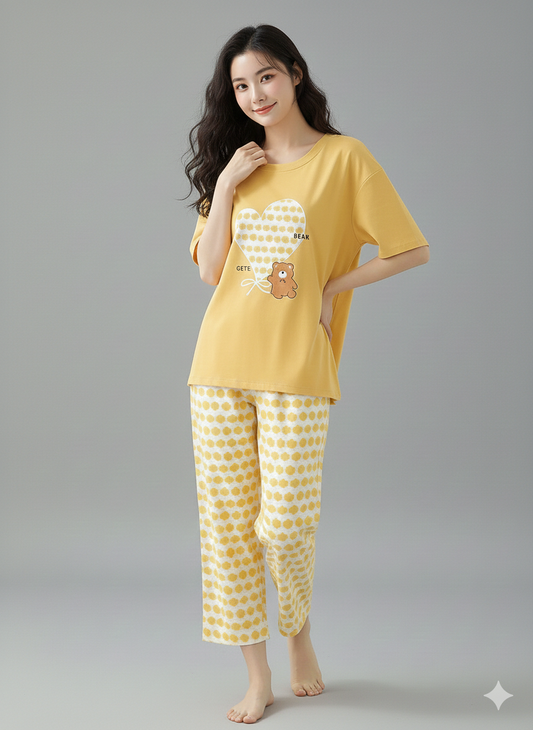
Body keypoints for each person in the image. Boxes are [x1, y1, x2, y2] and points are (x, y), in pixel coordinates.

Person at [184, 24, 429, 724]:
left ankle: (298, 629)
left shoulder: (344, 160)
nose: (254, 95)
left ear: (294, 73)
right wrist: (226, 186)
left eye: (265, 76)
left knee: (286, 522)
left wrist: (330, 288)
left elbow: (409, 248)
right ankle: (257, 675)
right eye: (240, 85)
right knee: (229, 529)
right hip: (219, 367)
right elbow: (210, 271)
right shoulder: (234, 167)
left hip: (297, 367)